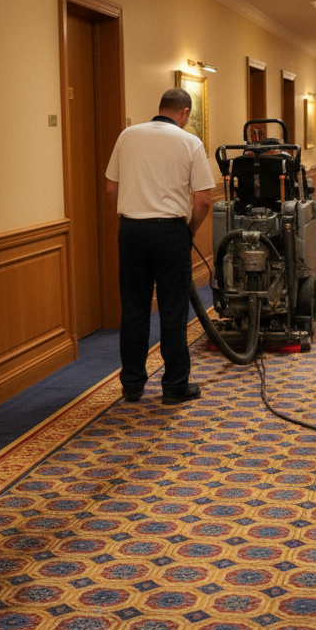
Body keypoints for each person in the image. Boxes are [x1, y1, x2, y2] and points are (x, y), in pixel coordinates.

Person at [104, 88, 215, 405]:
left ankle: (133, 385)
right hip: (170, 232)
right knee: (172, 310)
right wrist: (189, 230)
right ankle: (174, 386)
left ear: (161, 108)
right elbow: (204, 199)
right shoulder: (189, 142)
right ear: (185, 113)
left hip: (132, 231)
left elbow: (112, 188)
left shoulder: (128, 135)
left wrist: (130, 219)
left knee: (134, 309)